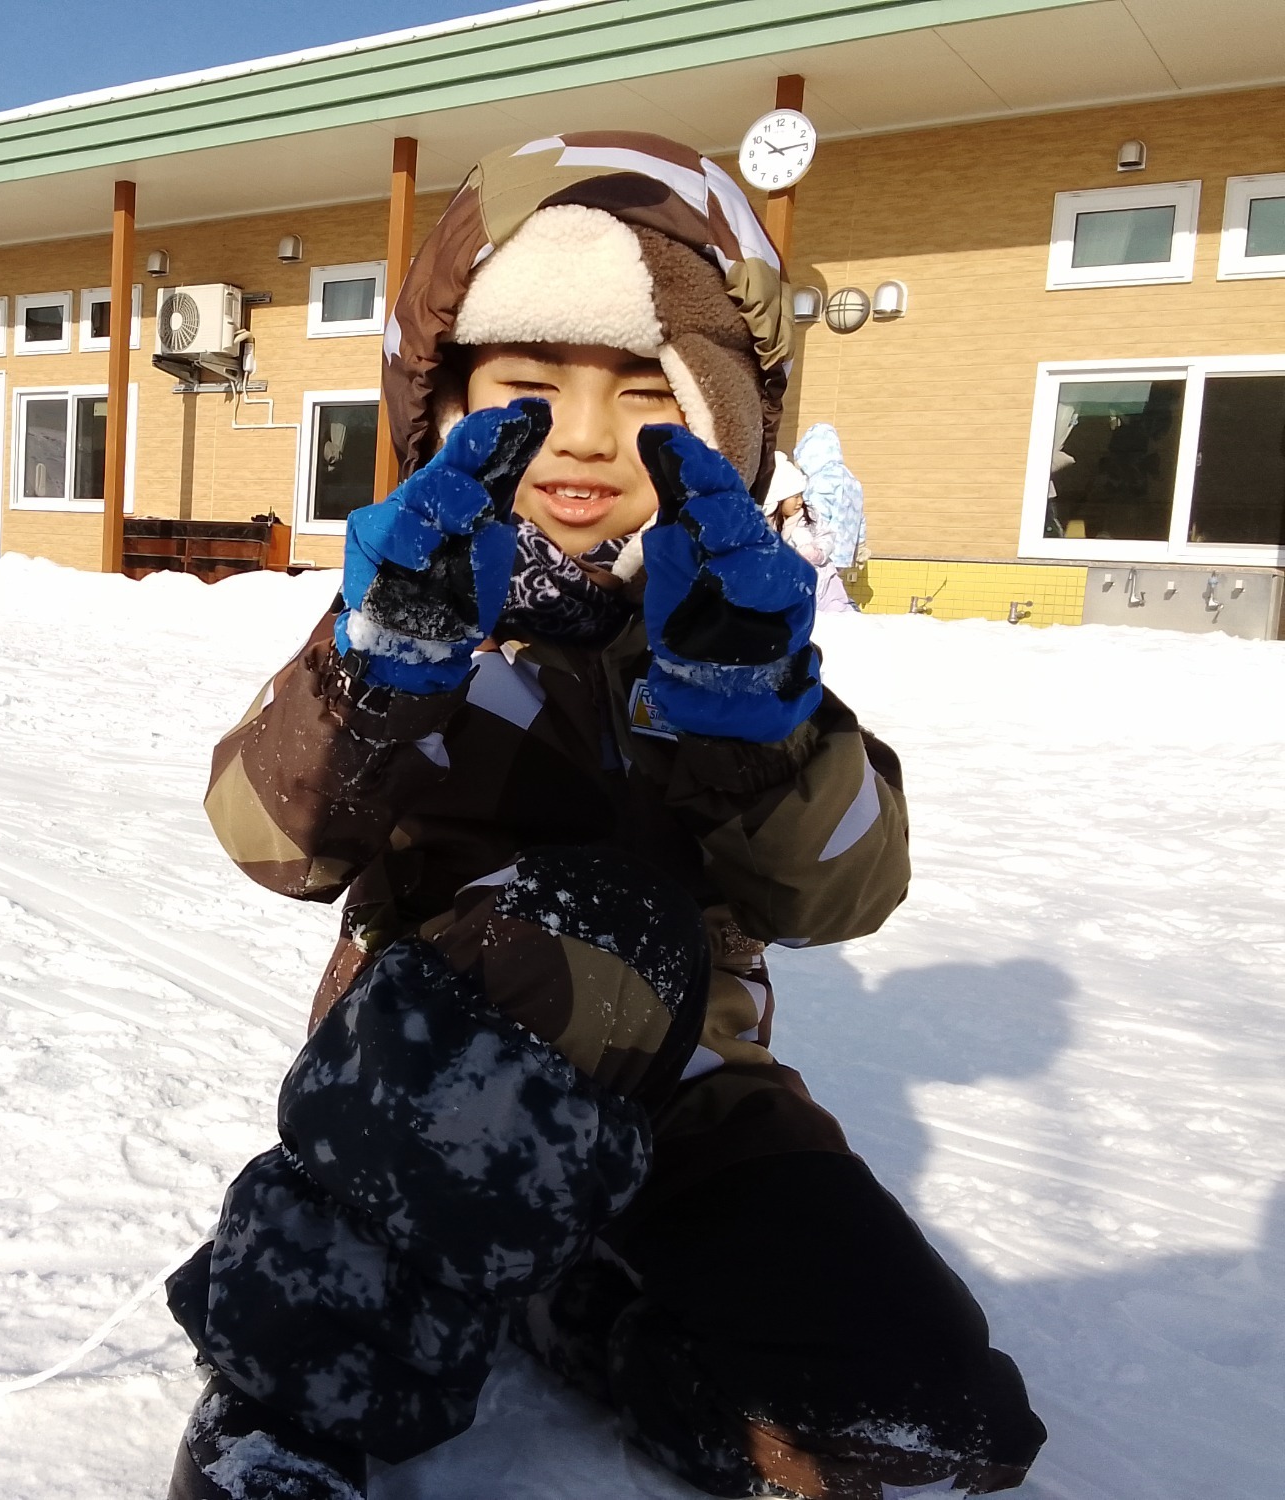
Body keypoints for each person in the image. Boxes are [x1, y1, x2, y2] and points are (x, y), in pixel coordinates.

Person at [164, 132, 1045, 1500]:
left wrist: (758, 716)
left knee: (917, 1400)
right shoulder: (423, 621)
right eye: (527, 388)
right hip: (445, 1067)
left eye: (647, 395)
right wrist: (373, 673)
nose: (583, 435)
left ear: (730, 429)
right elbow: (266, 838)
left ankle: (606, 1316)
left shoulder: (729, 636)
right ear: (443, 412)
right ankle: (294, 1402)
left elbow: (844, 893)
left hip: (691, 1087)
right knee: (599, 925)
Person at [777, 422, 864, 612]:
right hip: (841, 552)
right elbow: (860, 515)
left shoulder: (820, 481)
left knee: (821, 597)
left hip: (818, 554)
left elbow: (813, 518)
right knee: (833, 594)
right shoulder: (852, 481)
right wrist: (862, 544)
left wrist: (810, 544)